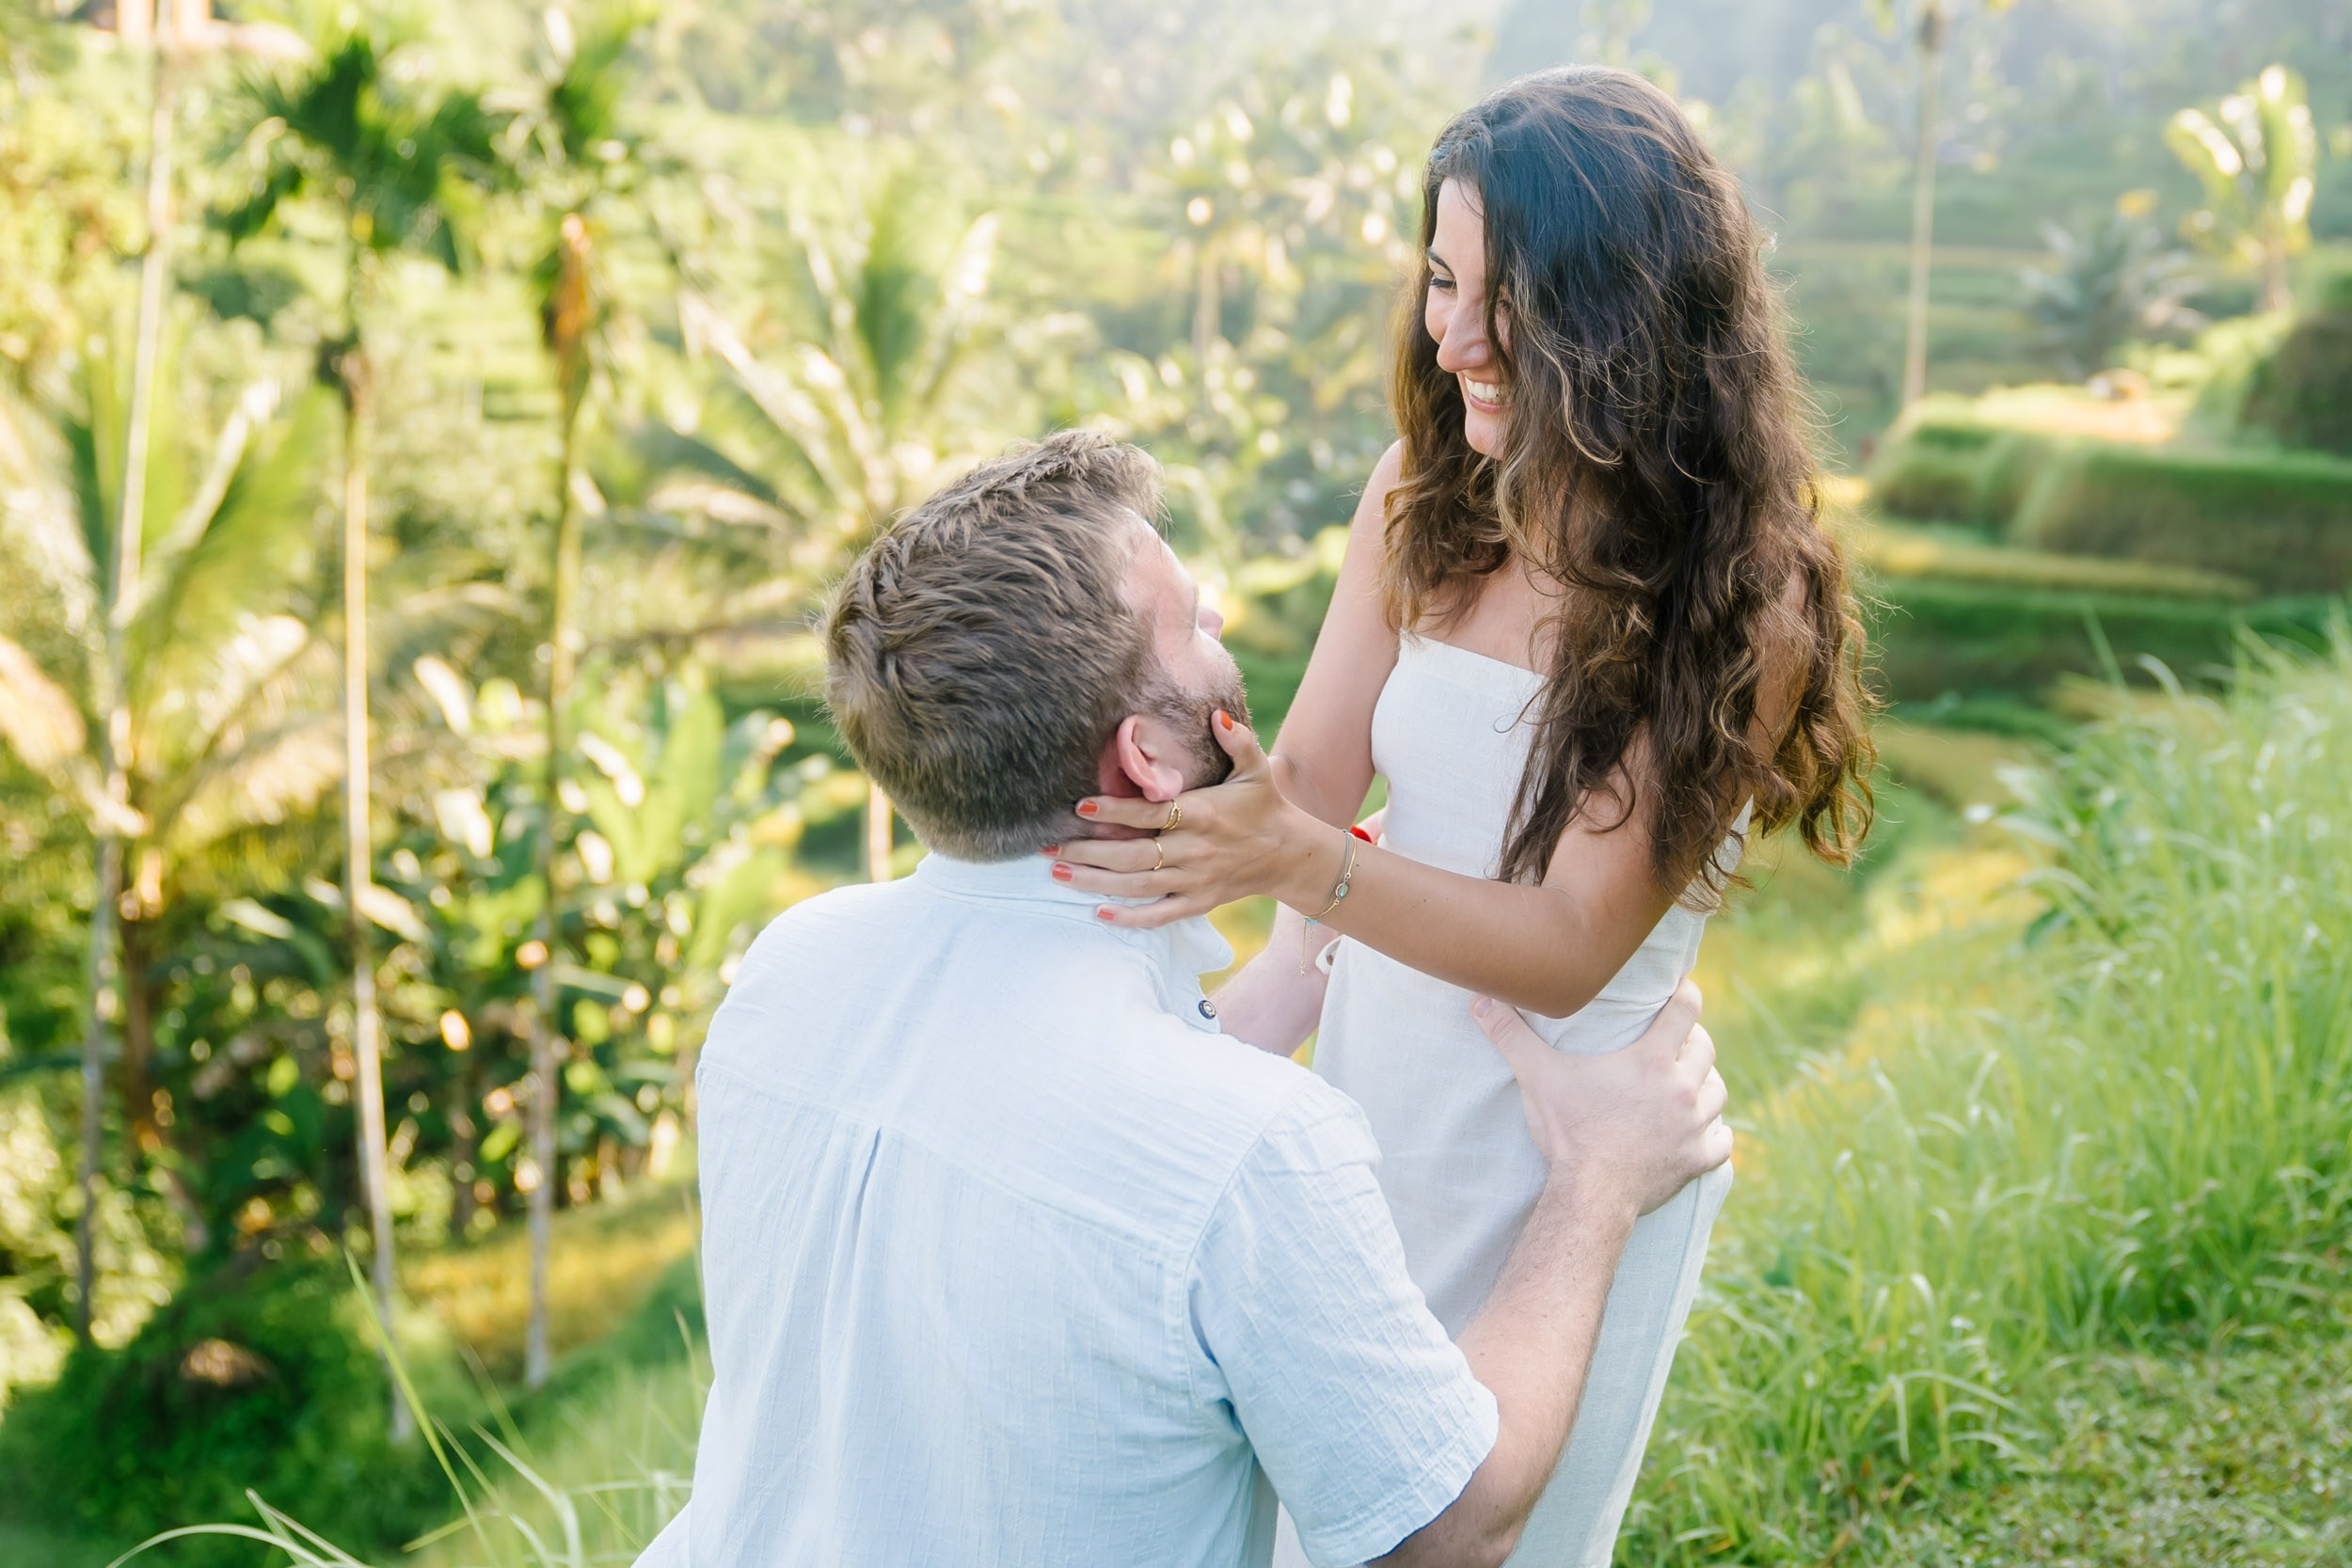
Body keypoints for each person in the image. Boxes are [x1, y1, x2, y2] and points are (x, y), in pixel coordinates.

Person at [631, 431, 1733, 1568]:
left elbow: (1050, 1120)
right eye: (1196, 623)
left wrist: (1289, 971)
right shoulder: (1245, 1149)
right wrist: (1598, 1179)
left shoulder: (786, 975)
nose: (1220, 636)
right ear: (1148, 760)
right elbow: (1448, 1529)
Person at [1049, 69, 1876, 1567]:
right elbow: (1301, 784)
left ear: (1627, 315)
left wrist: (1306, 867)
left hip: (1566, 1140)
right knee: (1323, 1523)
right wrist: (1095, 843)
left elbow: (1566, 942)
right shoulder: (1421, 500)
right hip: (1369, 1120)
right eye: (1440, 277)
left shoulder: (1740, 601)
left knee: (1491, 1539)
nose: (1455, 333)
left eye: (1511, 295)